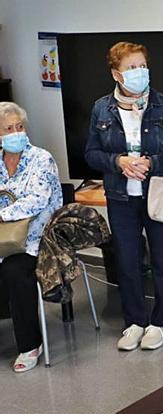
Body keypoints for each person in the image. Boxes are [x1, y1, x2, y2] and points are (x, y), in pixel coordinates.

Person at [85, 41, 163, 351]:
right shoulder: (101, 108)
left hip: (158, 194)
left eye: (142, 66)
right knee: (127, 262)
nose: (139, 73)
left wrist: (152, 163)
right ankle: (135, 321)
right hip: (120, 198)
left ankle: (161, 323)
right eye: (131, 68)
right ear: (117, 74)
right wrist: (118, 162)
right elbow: (91, 152)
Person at [0, 102, 62, 372]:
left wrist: (2, 215)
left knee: (14, 270)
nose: (16, 132)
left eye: (19, 126)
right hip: (4, 239)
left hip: (39, 239)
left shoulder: (42, 159)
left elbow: (36, 201)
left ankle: (29, 345)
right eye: (8, 129)